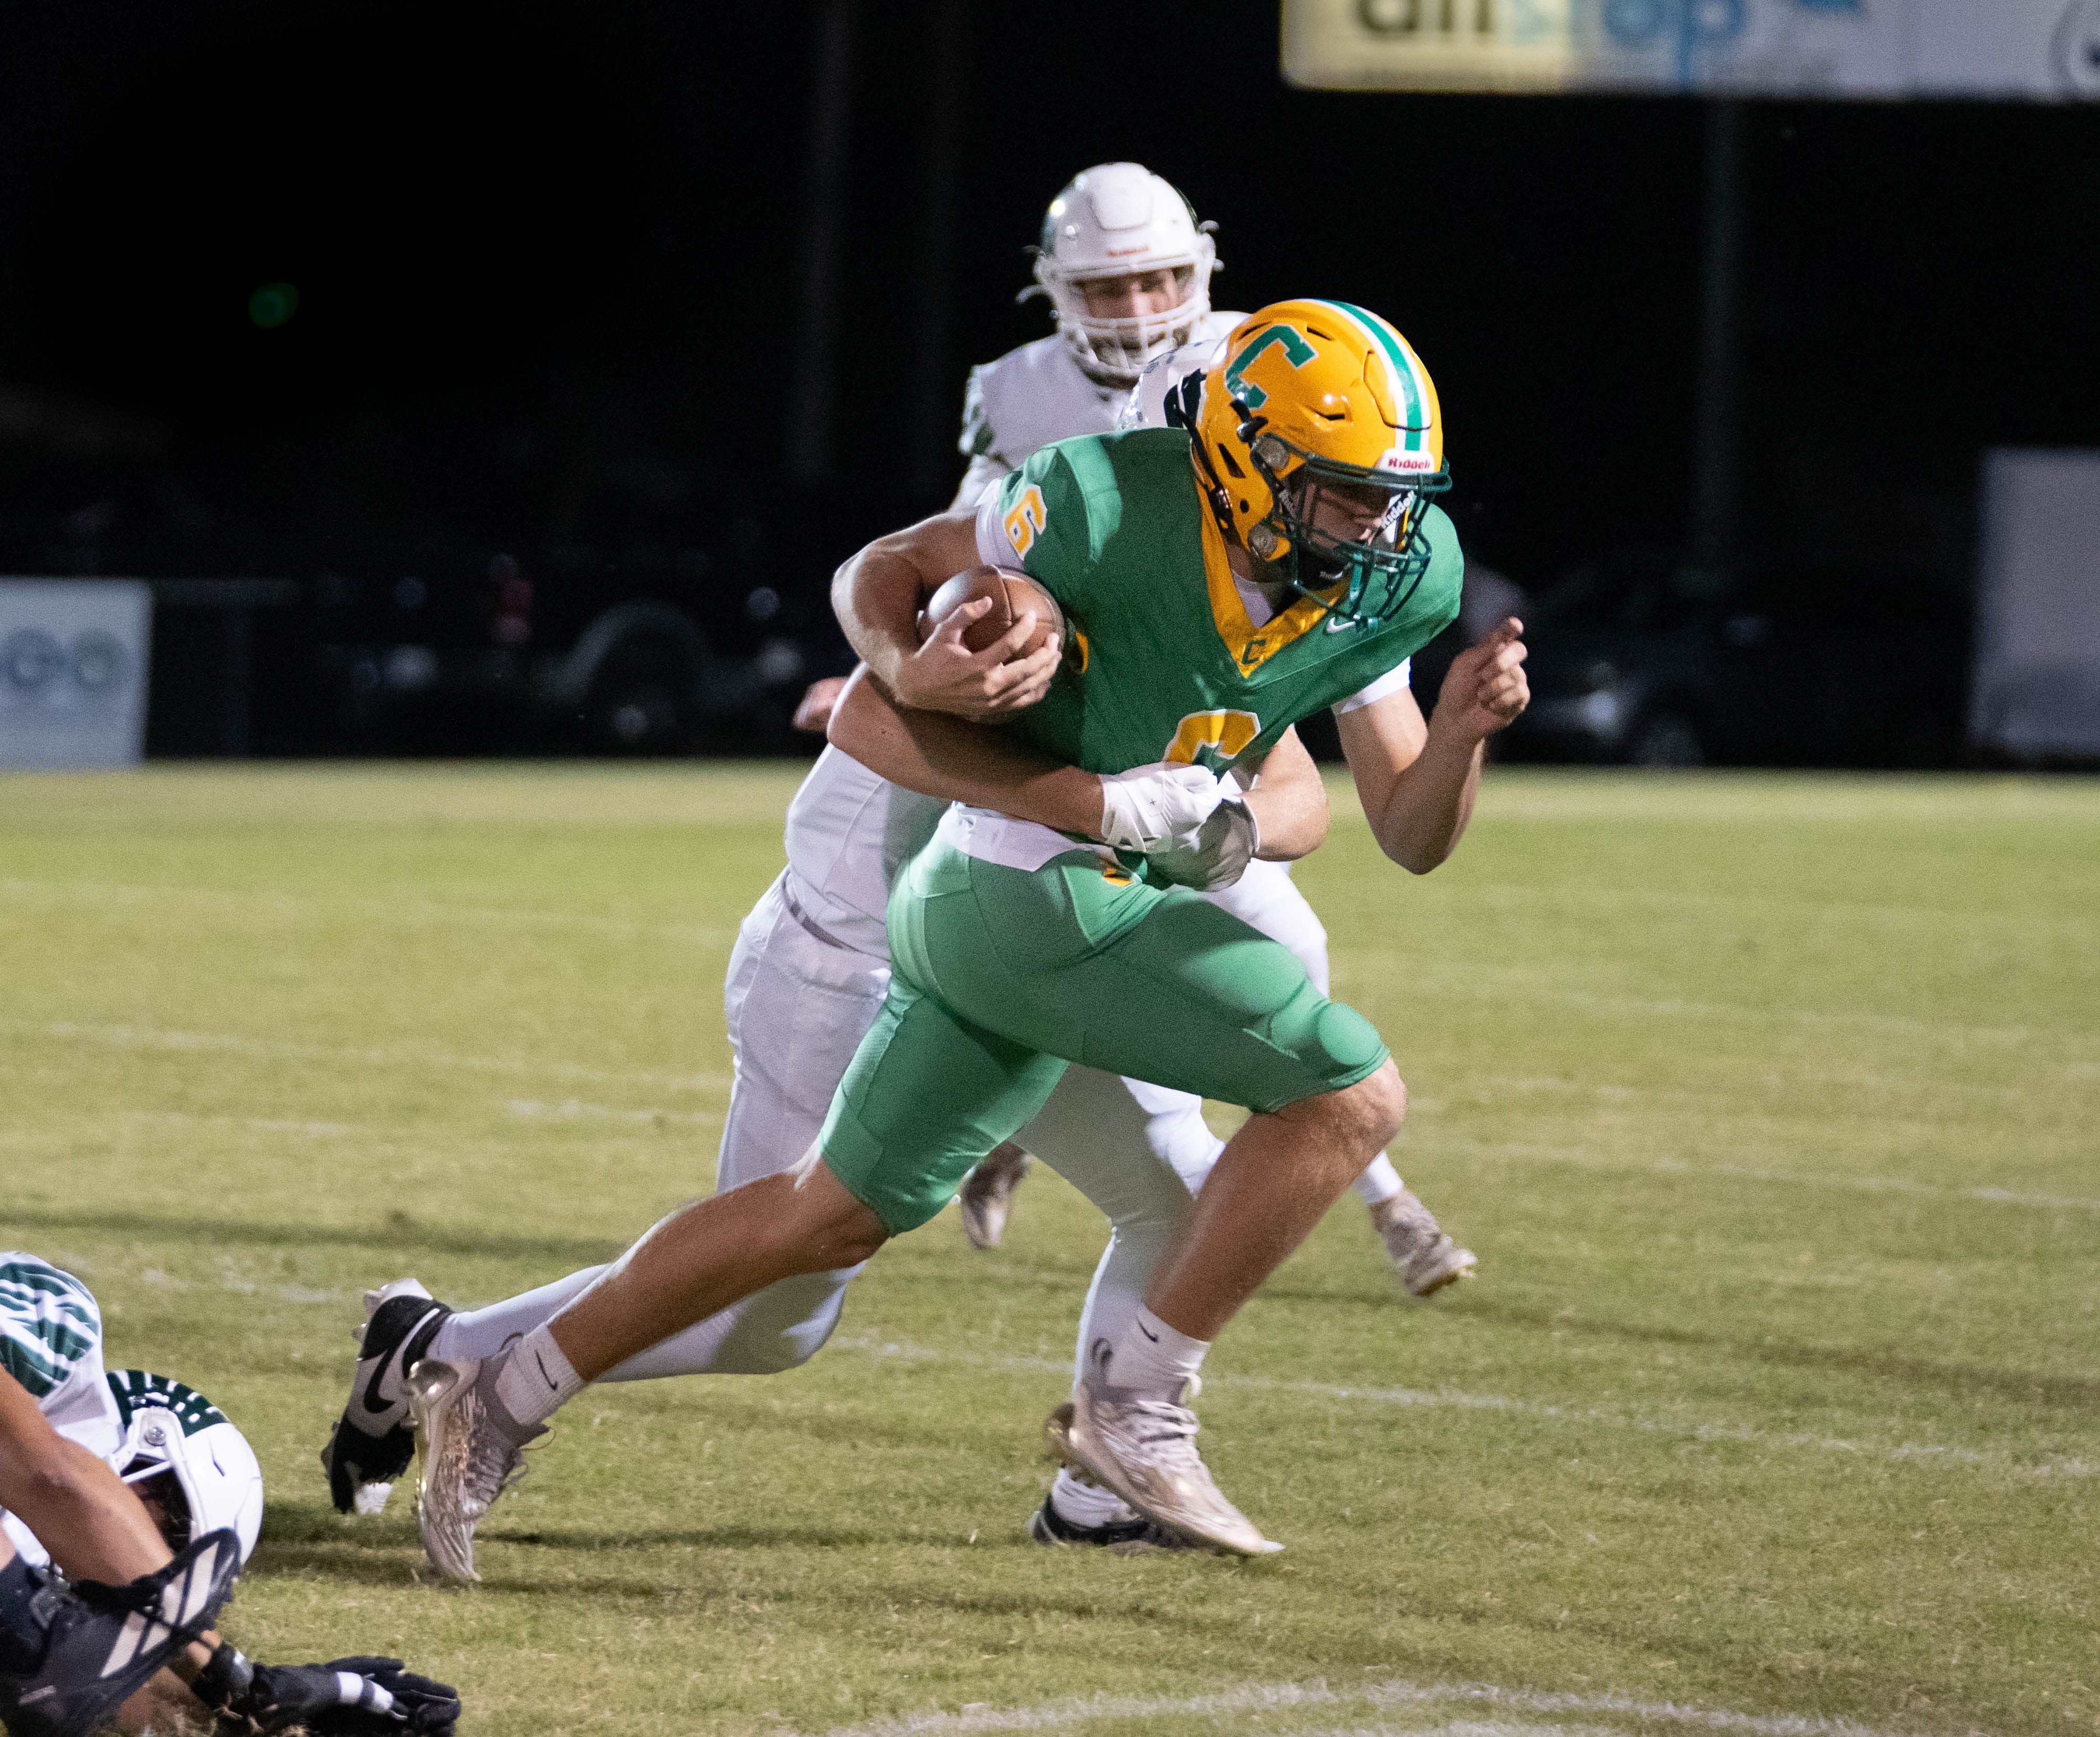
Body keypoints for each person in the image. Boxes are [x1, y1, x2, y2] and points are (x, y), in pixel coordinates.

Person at [392, 298, 1527, 1574]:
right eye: (1346, 495)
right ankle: (1134, 1413)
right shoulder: (1090, 505)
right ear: (1245, 459)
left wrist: (1458, 738)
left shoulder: (1383, 580)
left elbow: (1390, 826)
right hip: (1018, 888)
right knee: (1347, 1091)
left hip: (1032, 905)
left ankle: (498, 1388)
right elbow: (873, 701)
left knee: (821, 1219)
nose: (1383, 529)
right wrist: (974, 708)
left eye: (1392, 497)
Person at [933, 162, 1474, 1296]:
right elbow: (947, 561)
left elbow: (1327, 791)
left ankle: (1356, 1197)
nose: (1137, 311)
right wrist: (912, 659)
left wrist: (1223, 809)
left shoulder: (1283, 379)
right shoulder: (1046, 429)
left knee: (1284, 958)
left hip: (1199, 718)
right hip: (1055, 756)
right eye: (1107, 286)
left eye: (1160, 280)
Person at [0, 1252, 459, 1737]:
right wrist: (231, 1677)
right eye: (167, 1532)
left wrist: (254, 1708)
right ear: (145, 1451)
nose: (152, 1569)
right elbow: (52, 1481)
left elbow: (88, 1681)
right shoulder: (57, 1335)